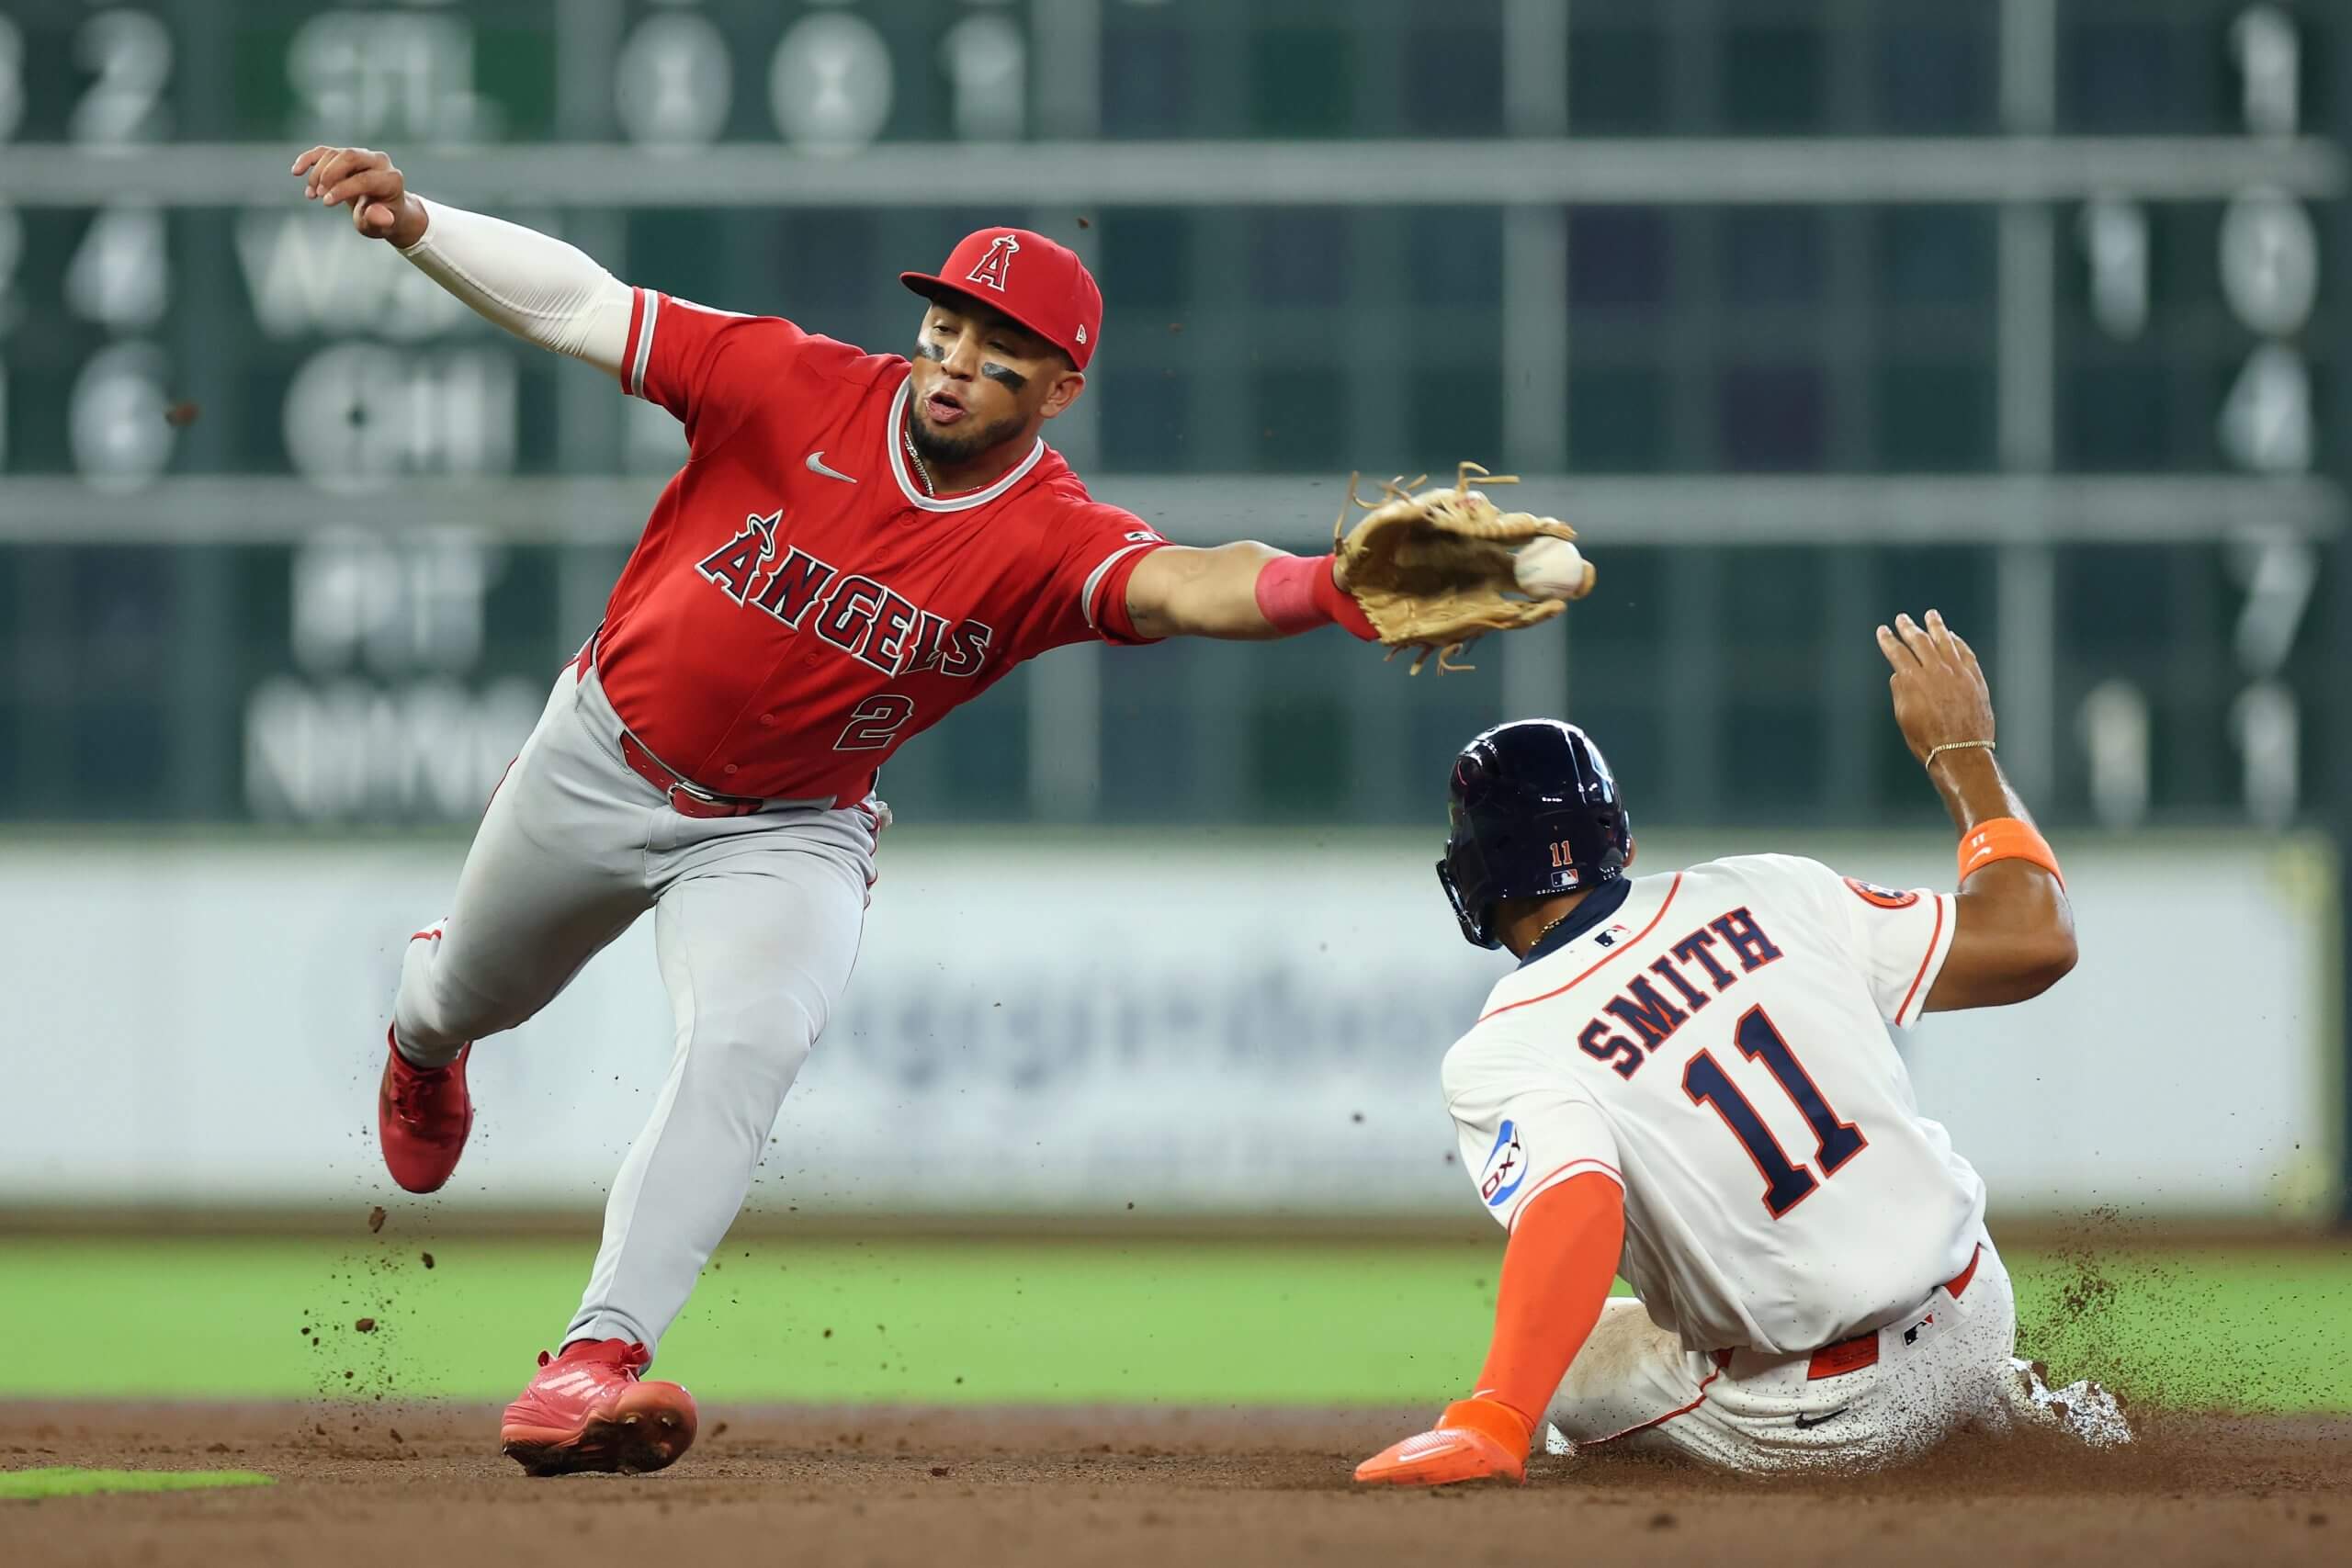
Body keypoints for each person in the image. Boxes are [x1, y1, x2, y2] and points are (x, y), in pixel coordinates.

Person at [288, 144, 1542, 1477]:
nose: (953, 362)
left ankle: (595, 1353)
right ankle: (425, 1040)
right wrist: (422, 224)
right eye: (945, 327)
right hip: (598, 755)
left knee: (747, 1045)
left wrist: (1326, 589)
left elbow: (1186, 581)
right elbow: (588, 305)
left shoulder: (1046, 532)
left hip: (785, 831)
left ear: (1062, 388)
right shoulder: (793, 382)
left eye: (999, 354)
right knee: (459, 998)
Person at [1358, 610, 2125, 1486]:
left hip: (1823, 1417)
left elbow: (1576, 1212)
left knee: (1567, 1372)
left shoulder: (1508, 1041)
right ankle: (2009, 1407)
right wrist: (1963, 753)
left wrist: (1497, 1413)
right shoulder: (1768, 886)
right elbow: (2035, 938)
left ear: (1476, 874)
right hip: (1976, 1308)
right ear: (1619, 835)